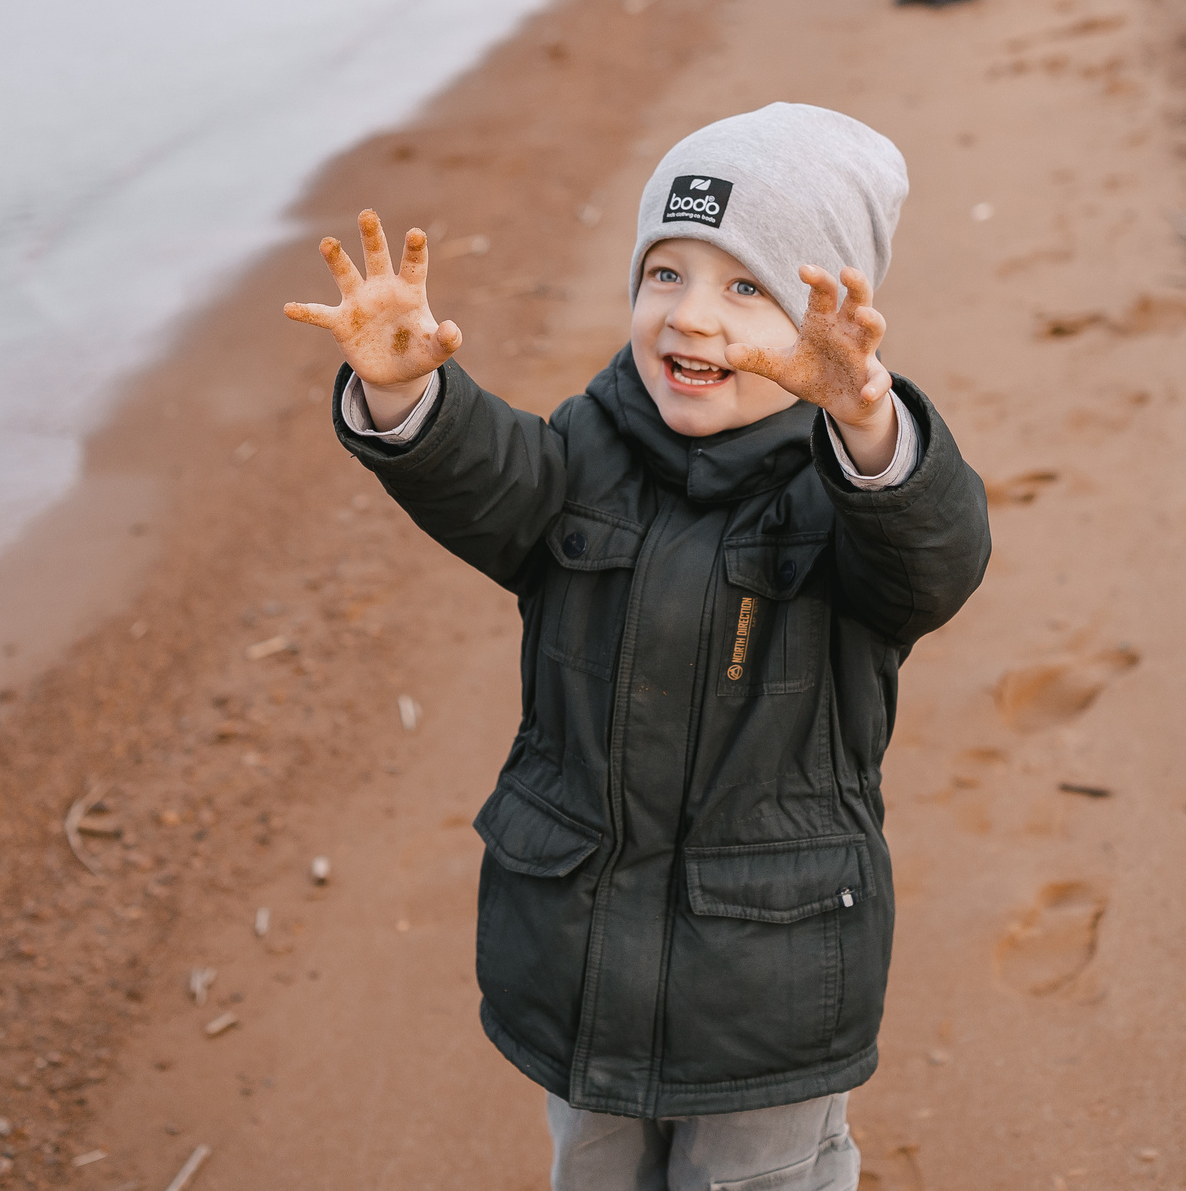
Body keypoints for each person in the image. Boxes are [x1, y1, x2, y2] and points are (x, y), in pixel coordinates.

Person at [283, 104, 992, 1191]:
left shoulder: (844, 494)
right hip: (582, 950)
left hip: (770, 975)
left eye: (745, 287)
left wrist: (866, 421)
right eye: (666, 273)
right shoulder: (586, 448)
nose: (690, 316)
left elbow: (935, 559)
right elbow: (487, 476)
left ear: (825, 324)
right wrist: (403, 390)